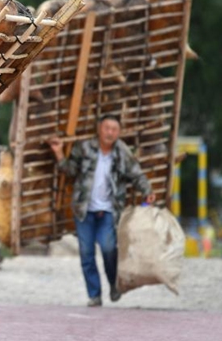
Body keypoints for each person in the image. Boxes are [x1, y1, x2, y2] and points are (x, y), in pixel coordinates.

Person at [47, 114, 155, 307]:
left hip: (109, 211)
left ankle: (114, 284)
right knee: (86, 253)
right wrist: (59, 154)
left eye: (114, 129)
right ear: (99, 129)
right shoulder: (85, 147)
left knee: (108, 248)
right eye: (107, 128)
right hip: (84, 209)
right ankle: (94, 295)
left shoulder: (122, 152)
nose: (110, 133)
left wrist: (147, 191)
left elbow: (136, 174)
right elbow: (70, 170)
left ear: (119, 132)